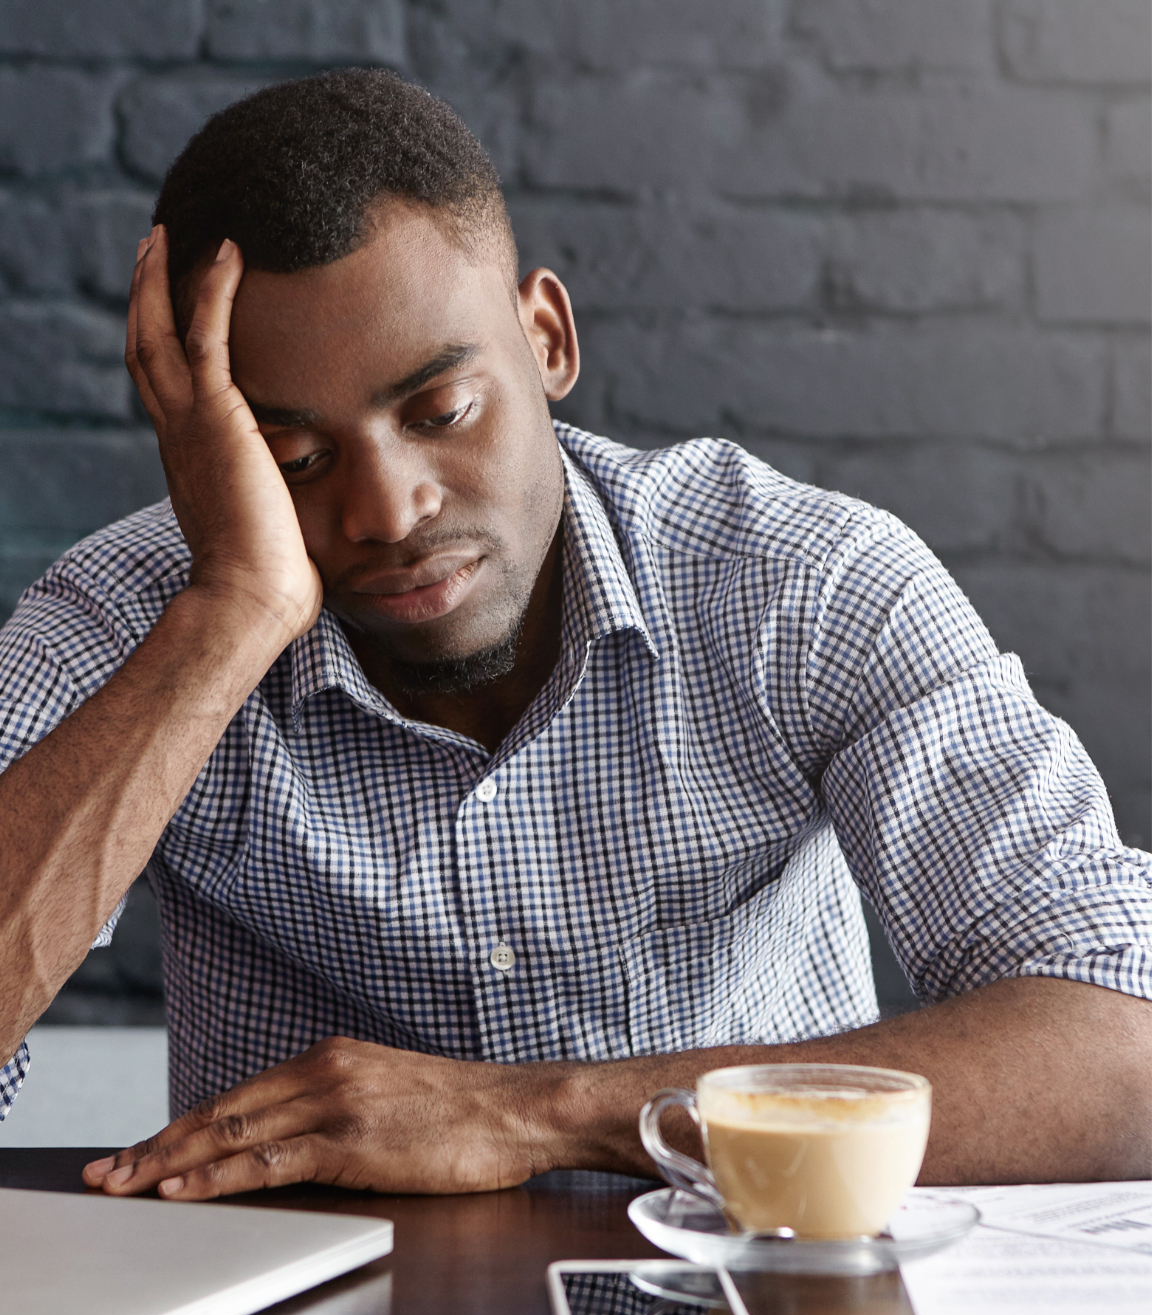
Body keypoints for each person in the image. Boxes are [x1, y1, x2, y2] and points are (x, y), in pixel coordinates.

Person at [0, 69, 1148, 1202]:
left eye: (440, 412)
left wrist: (534, 1115)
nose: (387, 511)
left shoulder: (799, 585)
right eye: (296, 459)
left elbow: (1123, 1049)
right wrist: (227, 622)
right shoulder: (136, 623)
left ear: (545, 338)